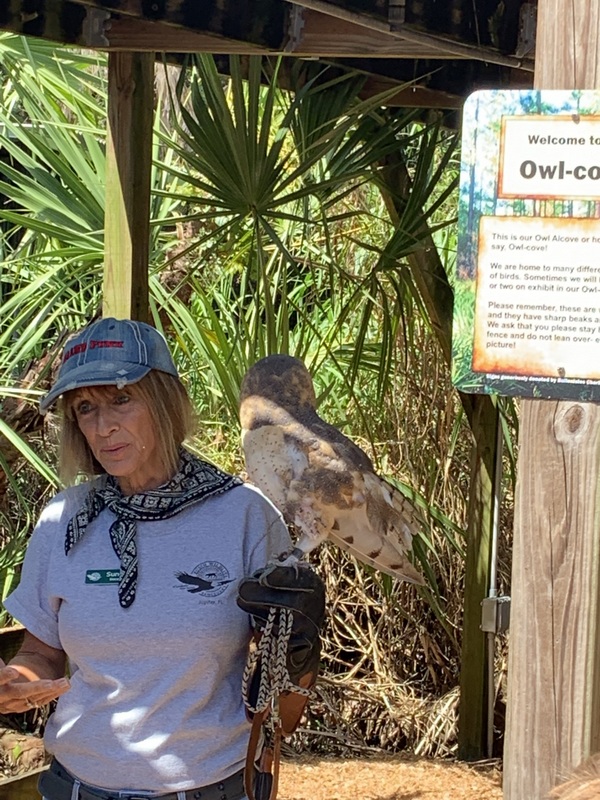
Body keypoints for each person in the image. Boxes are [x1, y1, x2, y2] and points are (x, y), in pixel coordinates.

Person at [0, 317, 323, 800]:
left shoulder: (244, 515)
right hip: (76, 786)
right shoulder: (63, 520)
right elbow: (41, 654)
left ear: (165, 401)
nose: (103, 426)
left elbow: (283, 706)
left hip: (208, 786)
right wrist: (14, 680)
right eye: (85, 408)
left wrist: (299, 649)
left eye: (122, 400)